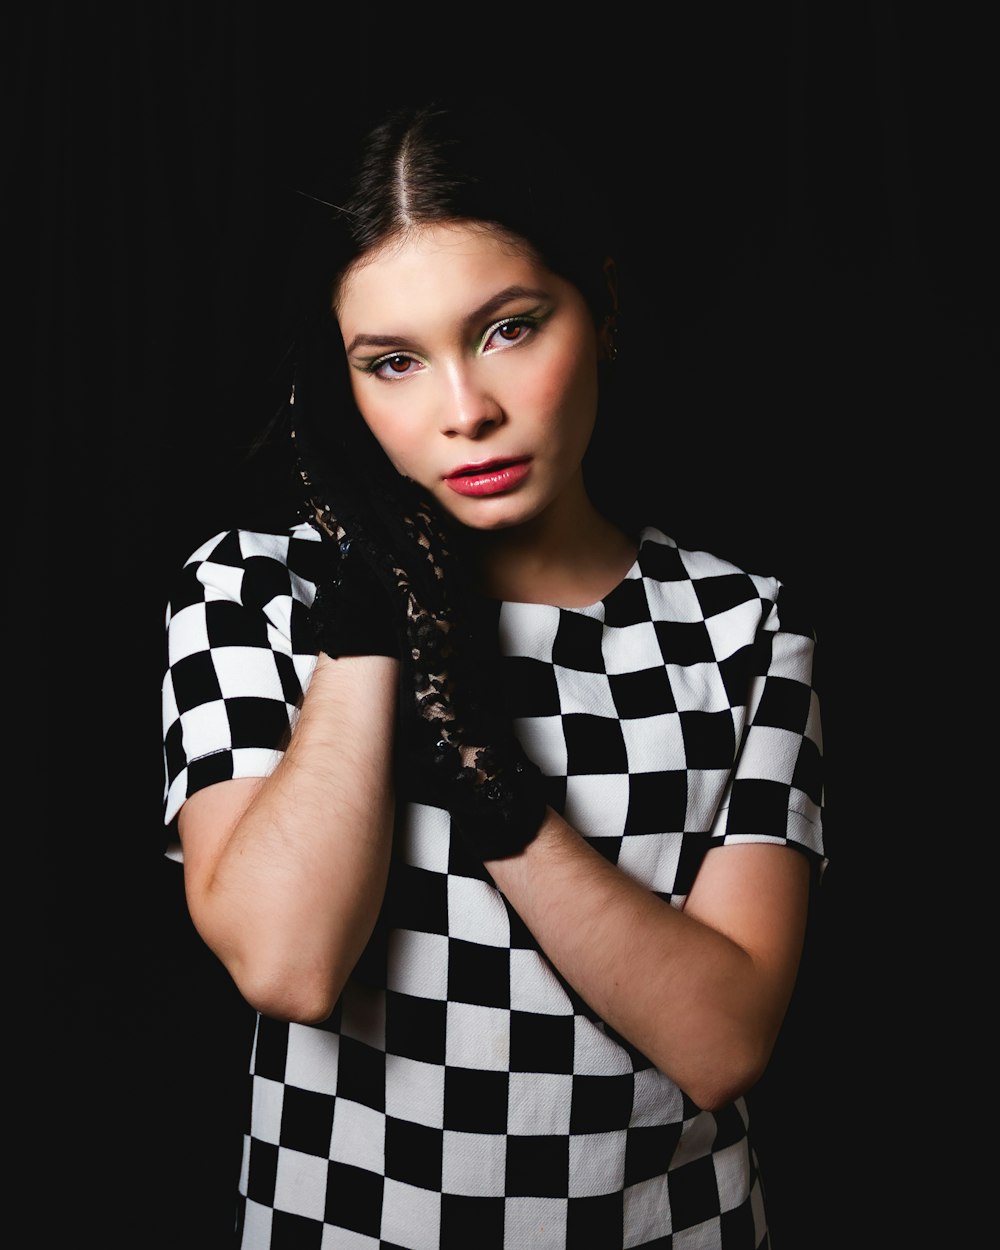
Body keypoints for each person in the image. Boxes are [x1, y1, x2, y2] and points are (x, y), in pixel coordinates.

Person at [161, 95, 826, 1249]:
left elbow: (721, 1042)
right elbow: (289, 961)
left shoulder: (737, 623)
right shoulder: (249, 594)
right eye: (393, 362)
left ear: (601, 307)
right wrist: (378, 615)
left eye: (508, 328)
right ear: (343, 381)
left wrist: (485, 768)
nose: (464, 412)